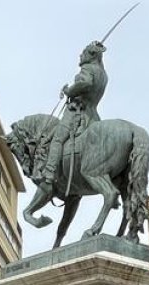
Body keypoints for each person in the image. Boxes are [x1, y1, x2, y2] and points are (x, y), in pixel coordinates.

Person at [40, 41, 108, 189]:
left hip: (77, 112)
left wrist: (69, 91)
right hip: (93, 116)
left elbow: (86, 83)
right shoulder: (103, 74)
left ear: (91, 55)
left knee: (57, 140)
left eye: (83, 53)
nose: (80, 55)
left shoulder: (88, 68)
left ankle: (49, 172)